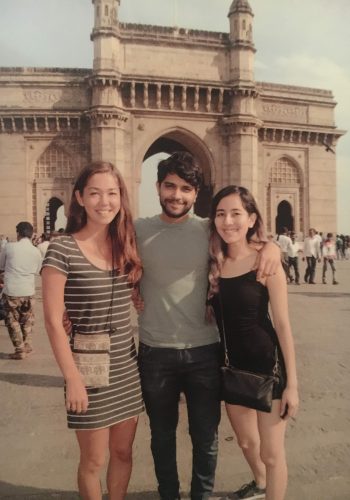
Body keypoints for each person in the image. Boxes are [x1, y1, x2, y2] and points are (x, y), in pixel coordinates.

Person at [135, 152, 281, 500]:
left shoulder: (209, 230)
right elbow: (103, 250)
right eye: (169, 186)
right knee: (161, 436)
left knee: (206, 437)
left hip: (204, 352)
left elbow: (245, 240)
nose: (176, 195)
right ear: (157, 187)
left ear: (196, 193)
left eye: (185, 188)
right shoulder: (137, 229)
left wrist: (271, 244)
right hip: (155, 353)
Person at [41, 161, 144, 500]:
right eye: (95, 193)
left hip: (126, 367)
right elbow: (54, 321)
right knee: (94, 460)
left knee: (123, 454)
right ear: (80, 199)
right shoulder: (62, 249)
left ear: (121, 198)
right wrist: (72, 378)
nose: (105, 201)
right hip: (87, 369)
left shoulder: (126, 244)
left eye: (112, 193)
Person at [208, 185, 299, 500]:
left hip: (269, 369)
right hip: (233, 367)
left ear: (251, 219)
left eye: (236, 213)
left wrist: (293, 386)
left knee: (273, 455)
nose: (228, 221)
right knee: (247, 443)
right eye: (221, 214)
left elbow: (283, 325)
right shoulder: (214, 265)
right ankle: (260, 484)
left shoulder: (267, 263)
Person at [0, 221, 42, 359]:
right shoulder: (36, 251)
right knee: (27, 319)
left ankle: (20, 350)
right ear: (31, 234)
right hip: (28, 291)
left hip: (11, 290)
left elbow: (1, 265)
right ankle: (27, 346)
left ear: (18, 233)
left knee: (12, 321)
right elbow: (37, 271)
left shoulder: (9, 247)